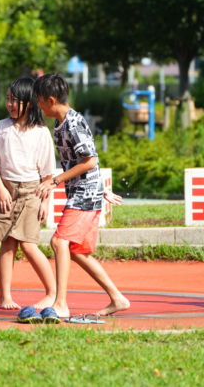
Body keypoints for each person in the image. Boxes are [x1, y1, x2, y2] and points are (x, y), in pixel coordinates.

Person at [34, 73, 129, 322]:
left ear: (51, 99)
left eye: (40, 101)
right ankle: (117, 298)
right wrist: (101, 188)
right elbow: (85, 160)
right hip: (85, 192)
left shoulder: (73, 124)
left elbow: (90, 161)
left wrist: (56, 180)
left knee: (59, 243)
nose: (38, 106)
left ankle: (61, 304)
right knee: (76, 252)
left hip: (83, 195)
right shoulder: (61, 122)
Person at [0, 75, 56, 311]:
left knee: (29, 245)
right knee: (7, 244)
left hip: (32, 192)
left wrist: (45, 203)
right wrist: (0, 189)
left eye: (15, 100)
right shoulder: (1, 128)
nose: (10, 104)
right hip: (6, 190)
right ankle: (5, 297)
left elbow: (47, 176)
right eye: (8, 99)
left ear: (29, 102)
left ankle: (53, 292)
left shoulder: (41, 132)